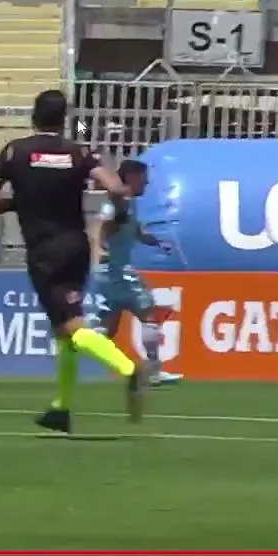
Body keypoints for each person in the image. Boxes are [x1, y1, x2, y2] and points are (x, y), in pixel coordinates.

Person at [0, 88, 147, 434]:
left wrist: (16, 203)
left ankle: (128, 368)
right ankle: (62, 408)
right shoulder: (78, 150)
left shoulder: (15, 151)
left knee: (72, 325)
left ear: (34, 116)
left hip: (44, 251)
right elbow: (115, 187)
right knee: (63, 329)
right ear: (64, 119)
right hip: (76, 247)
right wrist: (117, 203)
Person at [89, 159, 182, 386]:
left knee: (107, 328)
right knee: (147, 312)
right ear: (131, 177)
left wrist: (153, 241)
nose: (146, 183)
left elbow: (134, 230)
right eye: (143, 179)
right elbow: (100, 224)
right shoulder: (117, 202)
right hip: (116, 270)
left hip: (110, 270)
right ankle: (154, 371)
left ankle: (74, 343)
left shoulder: (129, 203)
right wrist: (99, 247)